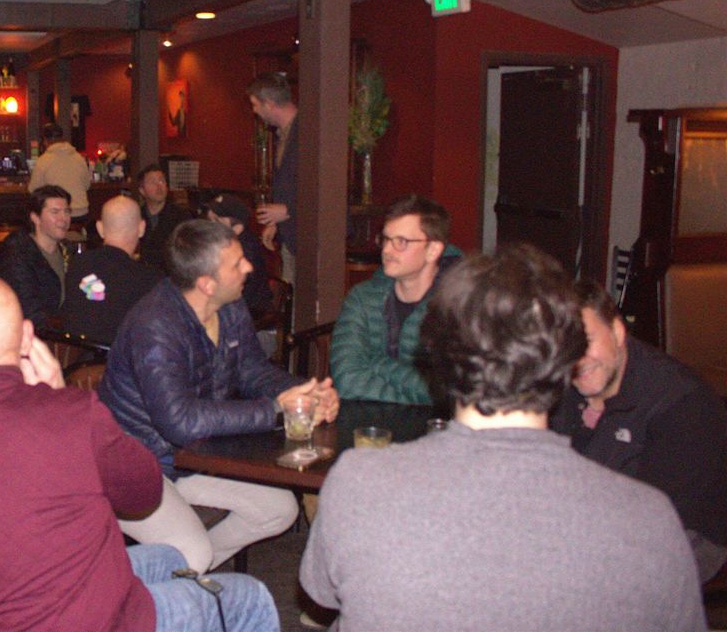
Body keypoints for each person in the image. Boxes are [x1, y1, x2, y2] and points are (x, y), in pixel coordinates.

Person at [300, 244, 707, 632]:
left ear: (438, 360)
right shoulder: (648, 517)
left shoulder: (357, 481)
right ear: (565, 358)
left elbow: (322, 592)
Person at [0, 273, 281, 632]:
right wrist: (58, 397)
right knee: (251, 597)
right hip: (95, 620)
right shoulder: (72, 416)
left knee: (171, 558)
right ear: (26, 338)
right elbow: (144, 492)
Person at [100, 219, 339, 573]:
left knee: (278, 510)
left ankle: (176, 579)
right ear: (206, 283)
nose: (249, 267)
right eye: (237, 263)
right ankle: (144, 584)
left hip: (188, 459)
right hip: (137, 464)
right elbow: (181, 422)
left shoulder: (227, 305)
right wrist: (276, 409)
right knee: (192, 552)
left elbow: (251, 370)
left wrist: (303, 394)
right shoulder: (154, 326)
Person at [551, 278, 727, 583]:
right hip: (593, 526)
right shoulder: (560, 391)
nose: (576, 359)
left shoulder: (682, 404)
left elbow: (656, 522)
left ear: (617, 332)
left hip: (683, 538)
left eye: (585, 340)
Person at [330, 194, 462, 405]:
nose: (387, 250)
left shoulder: (456, 307)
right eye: (385, 239)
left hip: (433, 425)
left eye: (401, 242)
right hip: (367, 423)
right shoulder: (362, 298)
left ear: (433, 250)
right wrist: (414, 392)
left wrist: (377, 362)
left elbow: (447, 391)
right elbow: (346, 381)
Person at [59, 195, 162, 345]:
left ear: (100, 228)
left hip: (77, 356)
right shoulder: (150, 280)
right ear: (141, 228)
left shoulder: (78, 265)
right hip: (121, 358)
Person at [0, 184, 70, 326]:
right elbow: (28, 310)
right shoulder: (17, 254)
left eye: (67, 212)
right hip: (35, 331)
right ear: (35, 218)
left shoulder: (69, 250)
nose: (63, 219)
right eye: (55, 212)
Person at [247, 72, 297, 283]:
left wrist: (287, 210)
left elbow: (327, 188)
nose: (254, 111)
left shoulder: (310, 132)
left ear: (268, 104)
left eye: (255, 104)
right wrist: (277, 224)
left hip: (316, 239)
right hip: (292, 237)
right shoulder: (283, 134)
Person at [203, 192, 273, 318]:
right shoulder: (220, 245)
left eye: (217, 221)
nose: (210, 227)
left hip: (251, 320)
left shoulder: (245, 254)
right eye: (209, 220)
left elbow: (230, 297)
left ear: (237, 229)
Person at [28, 122, 91, 222]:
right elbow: (87, 185)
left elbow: (33, 190)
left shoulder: (43, 160)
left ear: (45, 141)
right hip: (81, 212)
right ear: (63, 138)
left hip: (58, 214)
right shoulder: (78, 157)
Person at [137, 163, 189, 270]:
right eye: (152, 182)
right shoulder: (136, 216)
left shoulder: (181, 216)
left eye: (161, 181)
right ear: (142, 190)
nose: (159, 186)